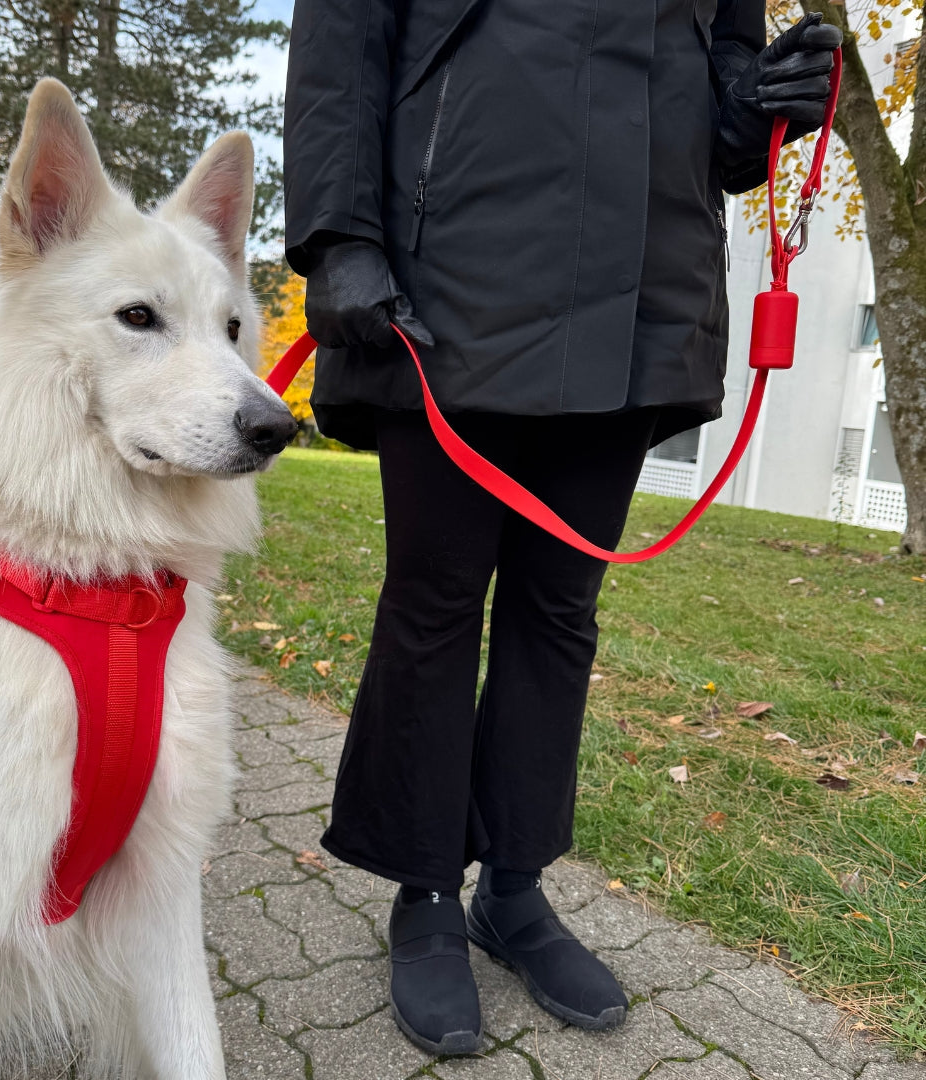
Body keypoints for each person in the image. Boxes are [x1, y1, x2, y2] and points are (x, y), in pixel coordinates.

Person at [283, 0, 840, 1056]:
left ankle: (516, 889)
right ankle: (425, 897)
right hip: (450, 266)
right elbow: (344, 37)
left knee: (559, 608)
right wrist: (340, 234)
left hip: (639, 286)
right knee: (437, 599)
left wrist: (765, 102)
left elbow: (718, 101)